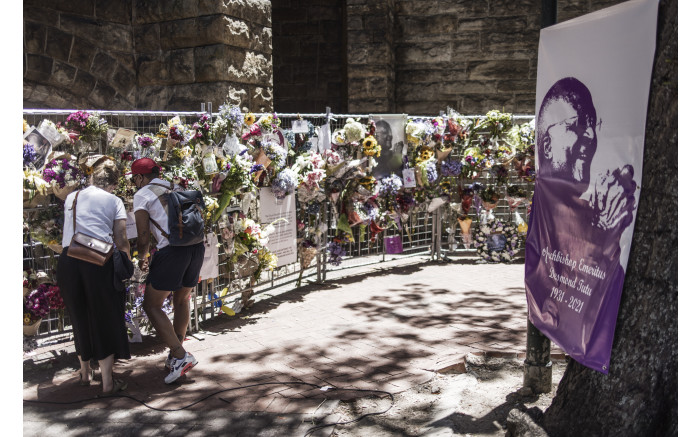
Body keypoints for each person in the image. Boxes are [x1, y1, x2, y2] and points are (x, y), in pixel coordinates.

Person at [524, 76, 637, 373]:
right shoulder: (549, 211)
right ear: (546, 145)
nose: (589, 134)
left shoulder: (591, 208)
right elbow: (554, 293)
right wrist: (604, 237)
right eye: (575, 125)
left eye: (592, 125)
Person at [56, 157, 130, 395]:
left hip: (69, 258)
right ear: (112, 183)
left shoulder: (72, 196)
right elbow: (121, 239)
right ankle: (107, 381)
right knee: (103, 316)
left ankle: (85, 372)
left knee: (79, 315)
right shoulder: (114, 200)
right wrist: (127, 263)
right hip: (98, 261)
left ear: (92, 177)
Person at [130, 157, 203, 384]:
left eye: (135, 179)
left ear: (140, 177)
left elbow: (143, 236)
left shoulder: (142, 194)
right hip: (195, 248)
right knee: (182, 300)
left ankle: (180, 356)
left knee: (151, 305)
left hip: (171, 251)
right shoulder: (175, 186)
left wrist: (142, 258)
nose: (135, 183)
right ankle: (175, 354)